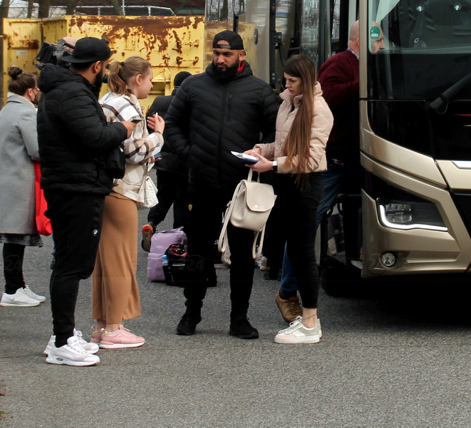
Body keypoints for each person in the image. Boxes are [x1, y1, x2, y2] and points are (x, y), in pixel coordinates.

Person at [163, 30, 279, 339]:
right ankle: (191, 313)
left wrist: (260, 151)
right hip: (200, 184)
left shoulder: (259, 91)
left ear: (241, 55)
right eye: (216, 53)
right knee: (197, 253)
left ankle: (239, 319)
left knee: (242, 256)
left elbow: (276, 133)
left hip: (241, 188)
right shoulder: (193, 86)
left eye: (227, 54)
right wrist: (189, 155)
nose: (220, 59)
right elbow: (172, 124)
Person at [37, 36, 136, 367]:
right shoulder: (73, 93)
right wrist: (122, 128)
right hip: (76, 187)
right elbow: (94, 138)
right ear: (97, 66)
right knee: (71, 264)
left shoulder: (63, 91)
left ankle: (63, 333)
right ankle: (62, 340)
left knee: (68, 262)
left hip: (70, 183)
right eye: (105, 66)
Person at [273, 20, 380, 322]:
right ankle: (287, 291)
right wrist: (367, 82)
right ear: (359, 41)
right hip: (333, 162)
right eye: (378, 39)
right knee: (304, 230)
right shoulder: (338, 64)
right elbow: (330, 99)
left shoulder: (367, 65)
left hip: (364, 157)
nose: (382, 46)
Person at [246, 54, 333, 344]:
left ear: (305, 80)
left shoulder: (320, 110)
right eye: (285, 79)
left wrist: (270, 164)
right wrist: (263, 150)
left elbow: (309, 159)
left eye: (292, 81)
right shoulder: (288, 102)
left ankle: (310, 322)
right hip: (287, 183)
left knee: (304, 254)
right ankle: (303, 316)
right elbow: (284, 145)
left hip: (306, 186)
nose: (287, 85)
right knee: (294, 252)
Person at [92, 56, 164, 349]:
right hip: (121, 188)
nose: (151, 84)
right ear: (137, 80)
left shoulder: (108, 99)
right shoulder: (127, 105)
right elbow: (133, 152)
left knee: (105, 261)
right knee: (122, 261)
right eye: (149, 79)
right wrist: (158, 136)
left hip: (106, 187)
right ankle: (114, 327)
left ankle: (102, 324)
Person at [0, 67, 46, 308]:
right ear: (31, 91)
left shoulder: (7, 110)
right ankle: (12, 289)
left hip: (5, 180)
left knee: (13, 237)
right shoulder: (25, 113)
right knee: (14, 238)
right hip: (17, 182)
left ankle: (18, 285)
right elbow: (36, 149)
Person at [142, 69, 192, 246]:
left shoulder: (160, 101)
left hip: (163, 160)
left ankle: (152, 222)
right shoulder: (190, 103)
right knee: (182, 199)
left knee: (163, 194)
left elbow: (149, 125)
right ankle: (177, 237)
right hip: (182, 161)